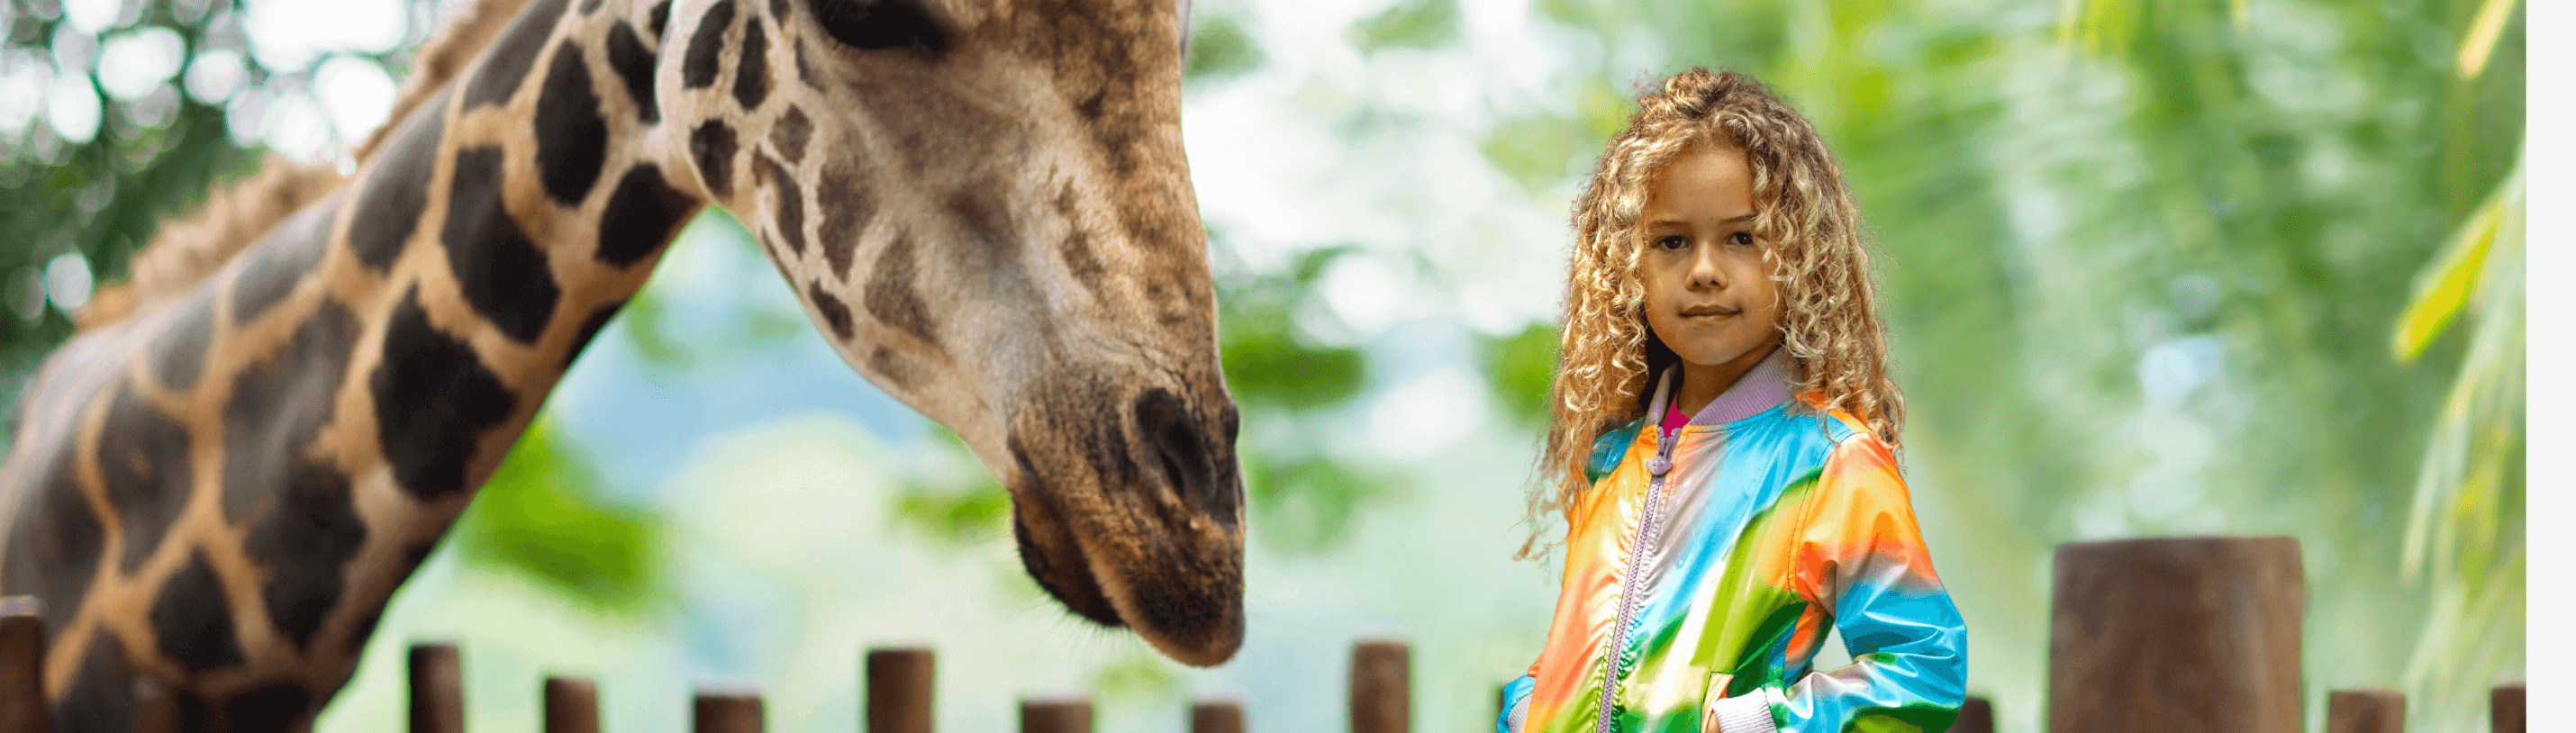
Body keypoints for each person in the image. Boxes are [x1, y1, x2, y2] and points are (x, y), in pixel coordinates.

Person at [1498, 68, 1968, 733]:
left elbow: (1925, 668)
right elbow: (1582, 654)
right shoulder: (1610, 459)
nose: (1705, 270)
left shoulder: (1831, 465)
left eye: (1743, 237)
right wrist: (1528, 705)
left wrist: (1753, 725)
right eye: (1671, 241)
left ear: (1801, 257)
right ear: (1627, 266)